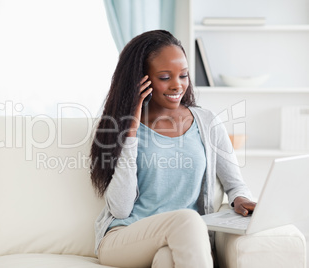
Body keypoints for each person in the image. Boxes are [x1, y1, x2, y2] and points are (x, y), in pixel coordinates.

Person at [89, 30, 256, 268]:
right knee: (187, 219)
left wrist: (240, 199)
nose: (178, 85)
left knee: (168, 260)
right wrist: (131, 129)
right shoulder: (121, 128)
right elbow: (121, 209)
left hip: (181, 238)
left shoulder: (207, 123)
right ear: (141, 80)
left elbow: (235, 184)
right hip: (124, 238)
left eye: (184, 75)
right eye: (165, 77)